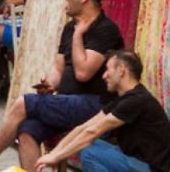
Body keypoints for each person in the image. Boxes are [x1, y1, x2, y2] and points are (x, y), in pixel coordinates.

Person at [0, 0, 124, 172]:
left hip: (96, 104)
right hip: (68, 102)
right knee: (27, 130)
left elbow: (83, 73)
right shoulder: (70, 27)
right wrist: (49, 83)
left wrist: (79, 36)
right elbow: (58, 67)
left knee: (24, 103)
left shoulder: (105, 29)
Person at [35, 50, 170, 172]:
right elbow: (84, 128)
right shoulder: (124, 99)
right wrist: (55, 155)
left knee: (88, 152)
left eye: (108, 70)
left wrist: (57, 156)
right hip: (135, 161)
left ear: (121, 70)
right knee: (81, 141)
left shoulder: (137, 100)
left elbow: (92, 132)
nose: (104, 76)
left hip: (150, 168)